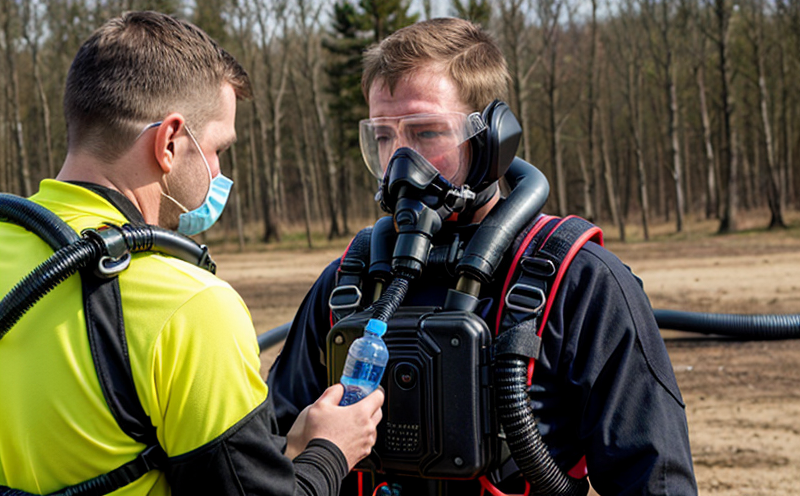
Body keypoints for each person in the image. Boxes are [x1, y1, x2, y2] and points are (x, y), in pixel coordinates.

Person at [268, 17, 697, 495]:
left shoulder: (577, 281)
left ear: (491, 140)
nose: (400, 163)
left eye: (426, 133)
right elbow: (270, 453)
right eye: (384, 137)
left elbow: (654, 479)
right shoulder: (347, 285)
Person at [0, 11, 383, 496]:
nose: (219, 172)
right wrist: (331, 450)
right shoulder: (190, 306)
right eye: (218, 149)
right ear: (169, 142)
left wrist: (283, 447)